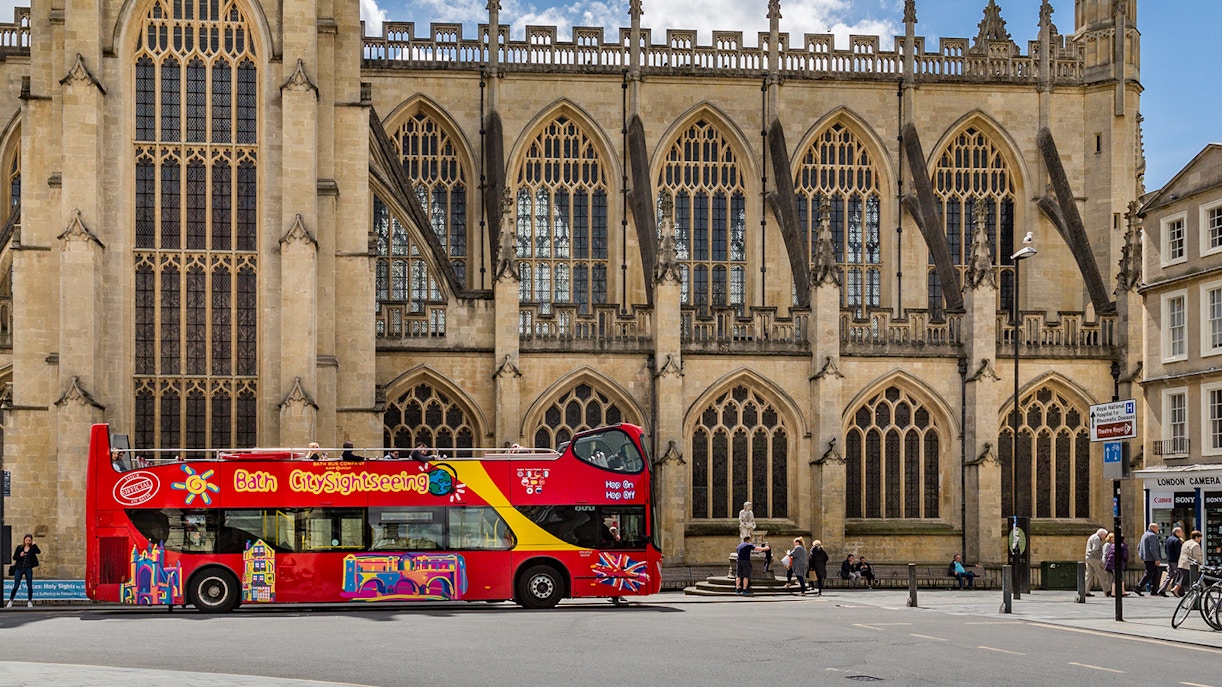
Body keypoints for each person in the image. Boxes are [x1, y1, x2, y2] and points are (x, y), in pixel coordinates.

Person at [7, 534, 41, 608]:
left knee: (29, 586)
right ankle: (11, 600)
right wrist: (20, 556)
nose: (28, 542)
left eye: (29, 540)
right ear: (24, 540)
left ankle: (29, 601)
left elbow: (38, 552)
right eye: (26, 540)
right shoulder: (19, 547)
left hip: (28, 568)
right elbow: (14, 557)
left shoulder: (32, 549)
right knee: (16, 585)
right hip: (19, 568)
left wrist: (35, 545)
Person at [1172, 530, 1204, 597]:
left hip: (1182, 563)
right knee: (1189, 580)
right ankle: (1176, 589)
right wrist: (1201, 563)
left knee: (1182, 578)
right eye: (1200, 538)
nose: (1200, 540)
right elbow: (1196, 556)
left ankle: (1179, 590)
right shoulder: (1195, 545)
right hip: (1189, 565)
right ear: (1196, 537)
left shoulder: (1186, 542)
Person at [1135, 522, 1162, 596]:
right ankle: (1138, 587)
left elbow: (1139, 546)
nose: (1158, 529)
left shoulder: (1145, 535)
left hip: (1146, 557)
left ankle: (1154, 590)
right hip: (1151, 558)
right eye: (1156, 527)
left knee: (1155, 573)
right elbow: (1152, 548)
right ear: (1152, 528)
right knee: (1149, 573)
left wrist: (1141, 554)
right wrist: (1156, 558)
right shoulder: (1152, 535)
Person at [1158, 527, 1183, 596]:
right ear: (1177, 533)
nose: (1182, 533)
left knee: (1170, 575)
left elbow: (1166, 550)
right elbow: (1178, 552)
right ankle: (1177, 590)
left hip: (1169, 560)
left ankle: (1162, 589)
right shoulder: (1176, 541)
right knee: (1178, 575)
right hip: (1175, 561)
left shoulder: (1169, 539)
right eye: (1181, 532)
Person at [1084, 528, 1107, 597]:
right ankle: (1107, 591)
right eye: (1105, 535)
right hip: (1094, 558)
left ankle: (1085, 591)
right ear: (1101, 534)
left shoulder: (1092, 536)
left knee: (1089, 575)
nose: (1105, 537)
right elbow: (1095, 549)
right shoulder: (1097, 538)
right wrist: (1100, 557)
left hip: (1088, 558)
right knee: (1102, 574)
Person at [1103, 532, 1128, 597]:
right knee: (1118, 577)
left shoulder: (1113, 545)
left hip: (1111, 563)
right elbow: (1125, 556)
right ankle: (1116, 592)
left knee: (1116, 577)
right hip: (1117, 564)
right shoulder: (1123, 545)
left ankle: (1117, 591)